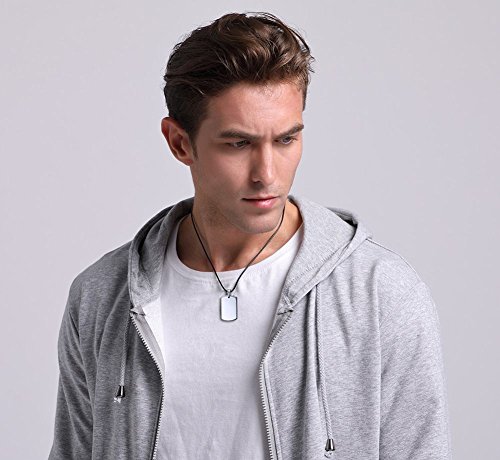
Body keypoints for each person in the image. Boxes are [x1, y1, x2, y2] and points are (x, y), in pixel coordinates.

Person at [49, 11, 452, 460]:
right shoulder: (102, 297)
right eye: (239, 144)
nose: (267, 175)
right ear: (180, 143)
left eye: (286, 140)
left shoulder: (381, 294)